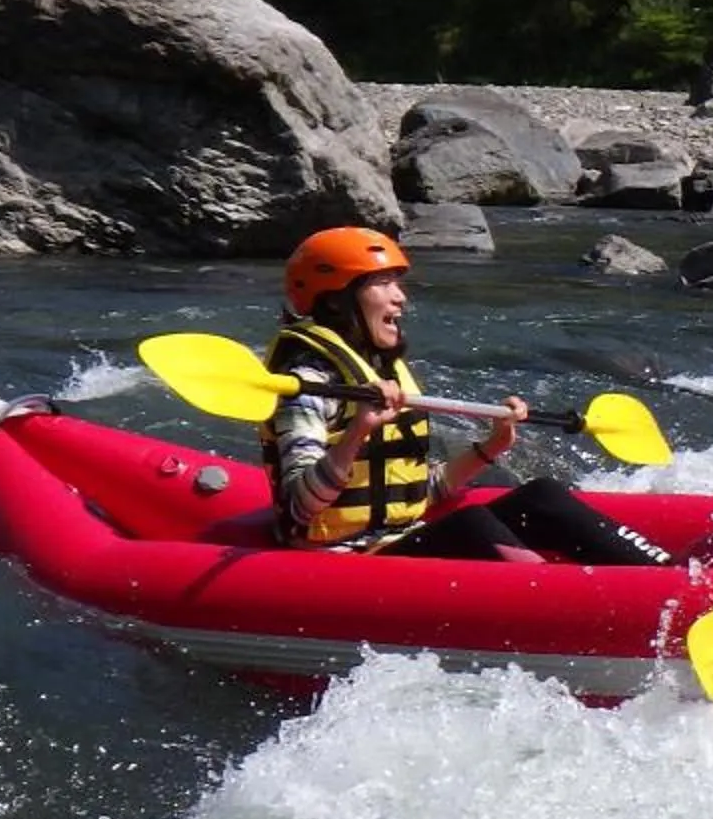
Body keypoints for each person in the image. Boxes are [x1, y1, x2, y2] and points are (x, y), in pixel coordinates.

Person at [265, 226, 668, 566]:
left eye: (398, 283)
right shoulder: (306, 384)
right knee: (470, 523)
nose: (400, 297)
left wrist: (491, 447)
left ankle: (672, 579)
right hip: (343, 560)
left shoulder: (379, 373)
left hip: (398, 537)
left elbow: (422, 494)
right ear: (336, 300)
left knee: (542, 495)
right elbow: (301, 506)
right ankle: (581, 604)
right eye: (382, 283)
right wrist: (358, 431)